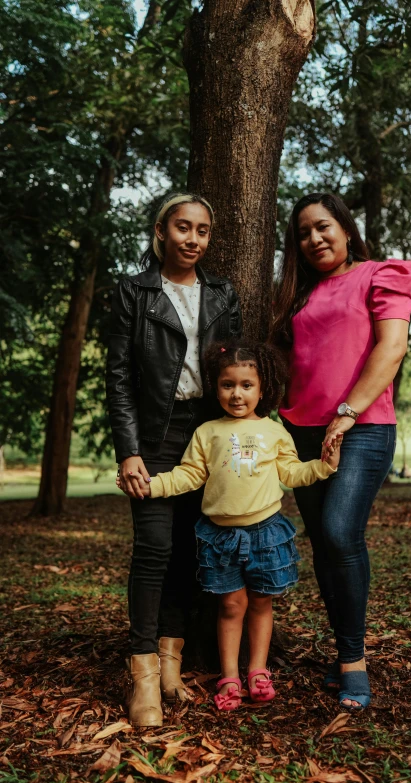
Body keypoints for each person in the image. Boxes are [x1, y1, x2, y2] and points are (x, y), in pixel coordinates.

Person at [119, 339, 342, 711]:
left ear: (262, 388)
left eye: (246, 385)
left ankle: (257, 670)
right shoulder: (207, 432)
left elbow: (291, 471)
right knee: (230, 605)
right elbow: (189, 475)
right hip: (220, 536)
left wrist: (324, 466)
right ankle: (229, 676)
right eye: (228, 385)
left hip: (265, 533)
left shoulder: (274, 432)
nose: (237, 394)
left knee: (260, 604)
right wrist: (152, 485)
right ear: (216, 386)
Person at [272, 192, 411, 710]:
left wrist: (348, 411)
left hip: (362, 426)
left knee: (339, 532)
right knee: (324, 543)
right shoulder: (297, 294)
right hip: (303, 433)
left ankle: (355, 663)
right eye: (303, 233)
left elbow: (392, 347)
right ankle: (343, 654)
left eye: (322, 226)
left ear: (346, 228)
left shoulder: (382, 273)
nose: (314, 238)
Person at [106, 193, 242, 727]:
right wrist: (129, 451)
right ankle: (142, 677)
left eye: (203, 231)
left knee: (191, 549)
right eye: (183, 228)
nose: (193, 239)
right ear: (161, 231)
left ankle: (170, 664)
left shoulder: (222, 294)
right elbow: (118, 377)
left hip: (207, 436)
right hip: (156, 435)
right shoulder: (134, 292)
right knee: (154, 548)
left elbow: (234, 371)